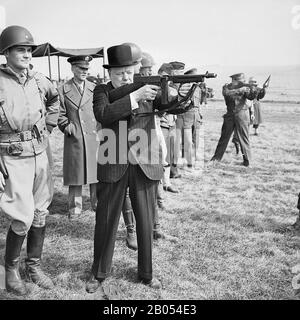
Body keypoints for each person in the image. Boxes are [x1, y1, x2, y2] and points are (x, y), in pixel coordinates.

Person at [86, 44, 190, 293]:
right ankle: (98, 273)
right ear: (110, 73)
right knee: (105, 220)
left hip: (145, 160)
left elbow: (171, 107)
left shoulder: (147, 87)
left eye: (129, 71)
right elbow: (103, 114)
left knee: (145, 221)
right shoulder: (101, 91)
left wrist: (179, 94)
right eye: (120, 72)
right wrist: (134, 96)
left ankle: (146, 273)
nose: (126, 76)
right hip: (114, 159)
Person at [0, 25, 60, 295]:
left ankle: (34, 266)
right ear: (6, 52)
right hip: (11, 156)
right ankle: (11, 269)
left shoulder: (38, 79)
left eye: (28, 50)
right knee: (21, 216)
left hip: (40, 152)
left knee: (40, 211)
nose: (26, 54)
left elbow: (54, 100)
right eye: (20, 49)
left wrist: (48, 125)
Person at [57, 55, 98, 220]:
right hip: (75, 137)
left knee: (96, 173)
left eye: (86, 69)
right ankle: (75, 208)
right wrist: (66, 125)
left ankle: (98, 203)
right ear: (73, 68)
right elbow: (58, 114)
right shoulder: (62, 89)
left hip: (94, 135)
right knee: (76, 173)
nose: (84, 72)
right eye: (81, 68)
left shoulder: (95, 88)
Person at [210, 73, 257, 167]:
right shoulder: (226, 87)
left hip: (242, 114)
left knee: (244, 138)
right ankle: (216, 159)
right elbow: (226, 93)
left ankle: (247, 161)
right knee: (224, 138)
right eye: (241, 81)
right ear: (235, 80)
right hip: (230, 115)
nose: (243, 83)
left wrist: (255, 90)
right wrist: (240, 89)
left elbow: (251, 97)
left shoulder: (245, 87)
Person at [168, 61, 185, 178]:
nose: (181, 74)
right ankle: (171, 171)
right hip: (168, 119)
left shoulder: (180, 85)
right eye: (179, 71)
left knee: (175, 146)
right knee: (170, 147)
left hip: (176, 119)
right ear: (173, 72)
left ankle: (173, 170)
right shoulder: (169, 85)